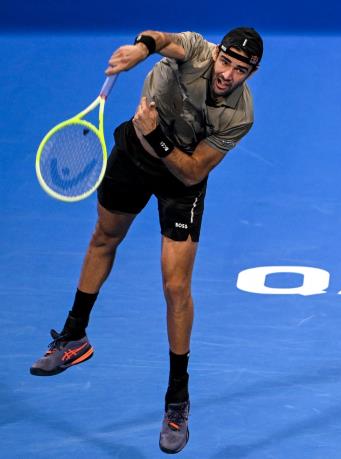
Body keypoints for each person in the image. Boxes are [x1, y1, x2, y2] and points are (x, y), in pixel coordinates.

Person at [29, 27, 263, 454]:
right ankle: (74, 337)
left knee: (176, 287)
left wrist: (157, 135)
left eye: (240, 70)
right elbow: (161, 40)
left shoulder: (240, 115)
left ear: (251, 73)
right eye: (226, 62)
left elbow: (193, 172)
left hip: (181, 182)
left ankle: (177, 400)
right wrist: (140, 50)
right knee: (104, 237)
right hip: (133, 158)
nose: (228, 74)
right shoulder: (196, 50)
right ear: (217, 53)